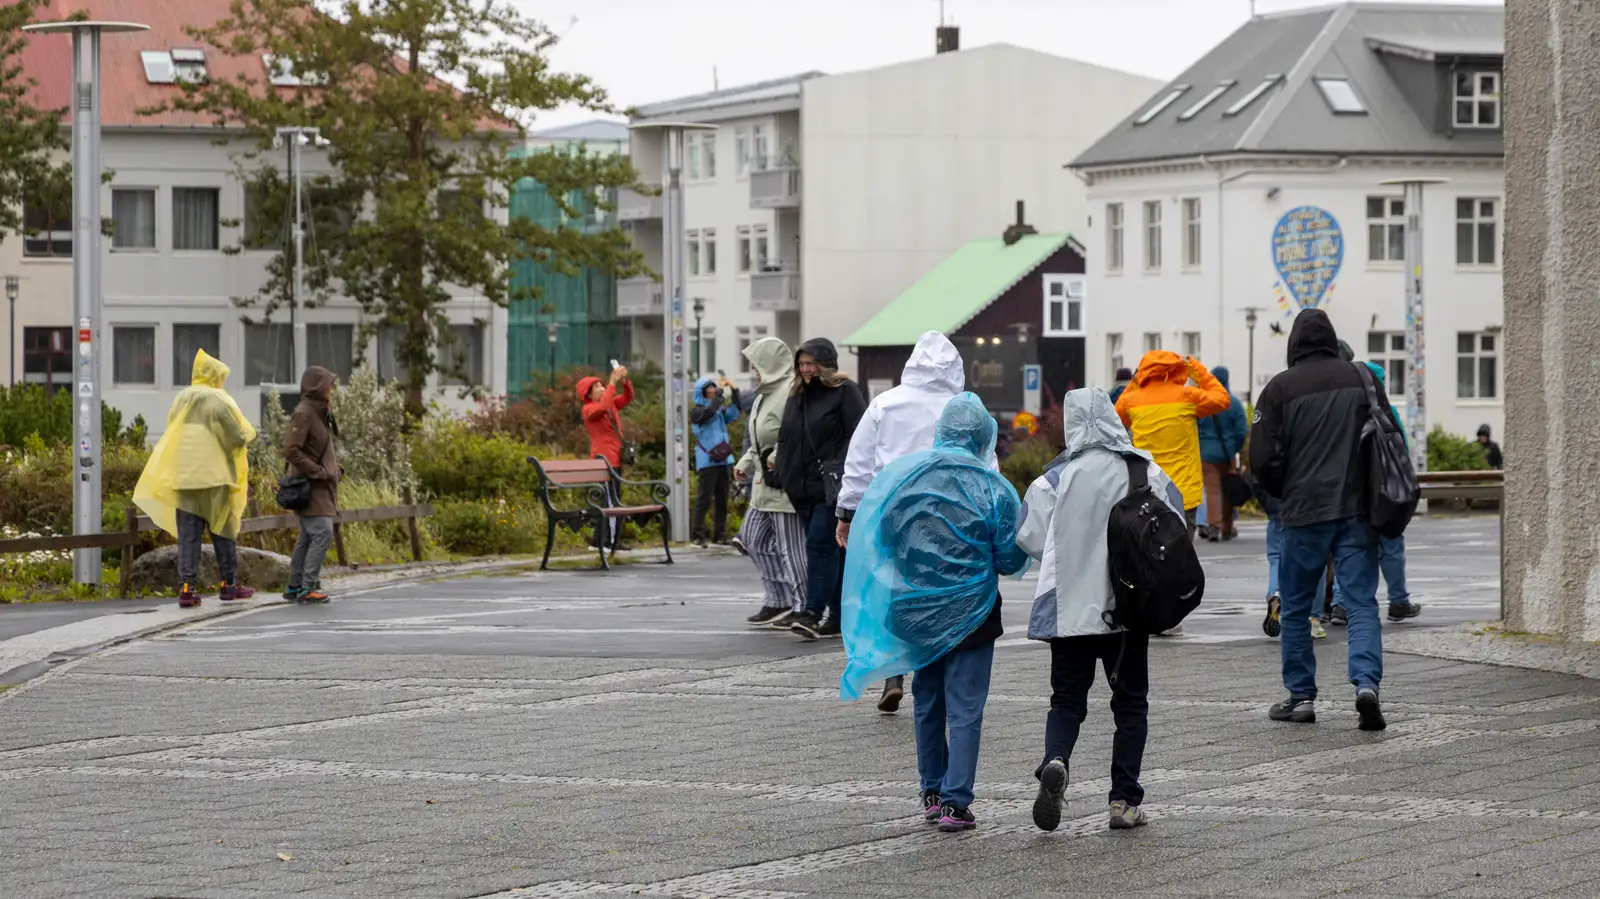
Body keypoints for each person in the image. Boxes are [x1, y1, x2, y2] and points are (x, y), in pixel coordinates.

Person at [837, 393, 1029, 833]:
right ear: (983, 436)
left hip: (914, 609)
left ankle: (931, 790)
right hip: (973, 614)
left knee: (928, 702)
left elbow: (883, 539)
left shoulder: (906, 479)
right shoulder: (993, 487)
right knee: (965, 707)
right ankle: (956, 801)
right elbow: (1011, 557)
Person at [1019, 387, 1184, 832]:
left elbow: (1030, 537)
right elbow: (1176, 526)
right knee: (1130, 704)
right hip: (1128, 609)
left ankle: (1056, 759)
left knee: (1067, 699)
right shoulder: (1142, 468)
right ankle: (1123, 802)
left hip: (1069, 611)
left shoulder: (1055, 478)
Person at [1250, 308, 1397, 731]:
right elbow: (1390, 438)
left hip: (1303, 512)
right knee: (1361, 601)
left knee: (1296, 607)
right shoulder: (1362, 378)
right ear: (1332, 339)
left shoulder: (1279, 389)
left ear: (1294, 344)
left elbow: (1262, 459)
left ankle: (1301, 698)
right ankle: (1366, 686)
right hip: (1356, 510)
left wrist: (1286, 489)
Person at [835, 330, 967, 714]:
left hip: (891, 508)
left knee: (893, 587)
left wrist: (847, 513)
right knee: (937, 589)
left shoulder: (885, 404)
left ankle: (894, 675)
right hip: (946, 513)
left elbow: (858, 464)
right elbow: (982, 462)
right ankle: (934, 663)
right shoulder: (961, 408)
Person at [1114, 350, 1229, 635]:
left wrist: (1136, 380)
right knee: (1176, 555)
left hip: (1146, 490)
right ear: (1175, 369)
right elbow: (1221, 398)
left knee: (1145, 553)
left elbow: (1116, 414)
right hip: (1182, 492)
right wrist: (1196, 369)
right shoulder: (1186, 397)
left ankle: (1146, 610)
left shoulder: (1133, 400)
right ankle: (1168, 616)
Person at [133, 350, 257, 609]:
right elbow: (235, 437)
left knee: (188, 536)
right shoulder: (218, 400)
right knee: (223, 530)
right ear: (215, 375)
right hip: (214, 478)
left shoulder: (181, 399)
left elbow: (172, 432)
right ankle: (228, 585)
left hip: (183, 478)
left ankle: (187, 589)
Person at [778, 337, 866, 640]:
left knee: (819, 545)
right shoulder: (798, 394)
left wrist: (843, 470)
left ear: (824, 364)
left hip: (833, 487)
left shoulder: (845, 392)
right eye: (801, 364)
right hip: (801, 488)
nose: (805, 369)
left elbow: (859, 436)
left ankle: (812, 611)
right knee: (835, 554)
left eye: (810, 363)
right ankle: (839, 616)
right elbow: (788, 438)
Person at [734, 338, 808, 627]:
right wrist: (745, 464)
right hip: (763, 486)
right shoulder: (764, 395)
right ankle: (779, 597)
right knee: (752, 537)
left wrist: (778, 455)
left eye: (756, 362)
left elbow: (795, 435)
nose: (753, 368)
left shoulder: (790, 393)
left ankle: (802, 604)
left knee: (793, 549)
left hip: (784, 487)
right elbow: (757, 440)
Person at [283, 366, 341, 604]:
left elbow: (319, 448)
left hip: (321, 486)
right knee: (322, 532)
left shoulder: (319, 412)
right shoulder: (305, 413)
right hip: (310, 487)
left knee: (308, 536)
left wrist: (335, 470)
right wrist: (318, 472)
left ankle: (295, 585)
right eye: (329, 384)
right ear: (318, 386)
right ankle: (308, 586)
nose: (333, 389)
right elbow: (291, 450)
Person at [576, 363, 634, 548]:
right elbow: (603, 407)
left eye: (603, 385)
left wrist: (624, 382)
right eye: (597, 387)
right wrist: (612, 382)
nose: (602, 389)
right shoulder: (589, 409)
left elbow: (628, 397)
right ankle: (608, 540)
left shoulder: (609, 405)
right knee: (609, 500)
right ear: (588, 393)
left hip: (615, 458)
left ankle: (603, 539)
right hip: (604, 460)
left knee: (613, 498)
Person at [1197, 366, 1247, 542]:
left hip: (1206, 454)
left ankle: (1214, 526)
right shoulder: (1233, 403)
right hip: (1227, 453)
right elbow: (1242, 429)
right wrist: (1236, 448)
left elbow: (1195, 426)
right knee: (1228, 489)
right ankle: (1227, 527)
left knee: (1212, 490)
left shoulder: (1203, 401)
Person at [690, 374, 741, 546]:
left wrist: (734, 392)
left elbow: (733, 414)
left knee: (722, 498)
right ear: (702, 392)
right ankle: (697, 534)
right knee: (704, 499)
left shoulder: (718, 408)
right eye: (709, 388)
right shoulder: (697, 411)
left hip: (723, 459)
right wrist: (719, 397)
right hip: (707, 460)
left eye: (713, 387)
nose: (713, 390)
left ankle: (720, 534)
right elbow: (707, 414)